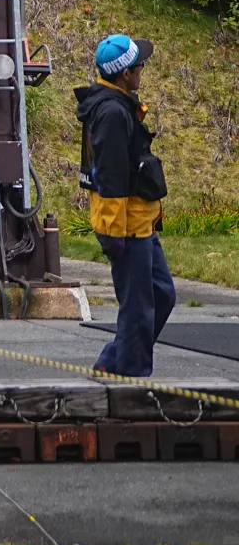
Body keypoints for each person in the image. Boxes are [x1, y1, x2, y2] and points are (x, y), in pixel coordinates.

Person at [77, 33, 174, 378]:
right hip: (128, 228)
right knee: (138, 309)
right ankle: (132, 383)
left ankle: (112, 361)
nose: (143, 71)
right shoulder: (113, 114)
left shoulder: (118, 105)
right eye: (139, 66)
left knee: (162, 295)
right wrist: (114, 235)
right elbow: (112, 179)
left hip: (141, 224)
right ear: (124, 75)